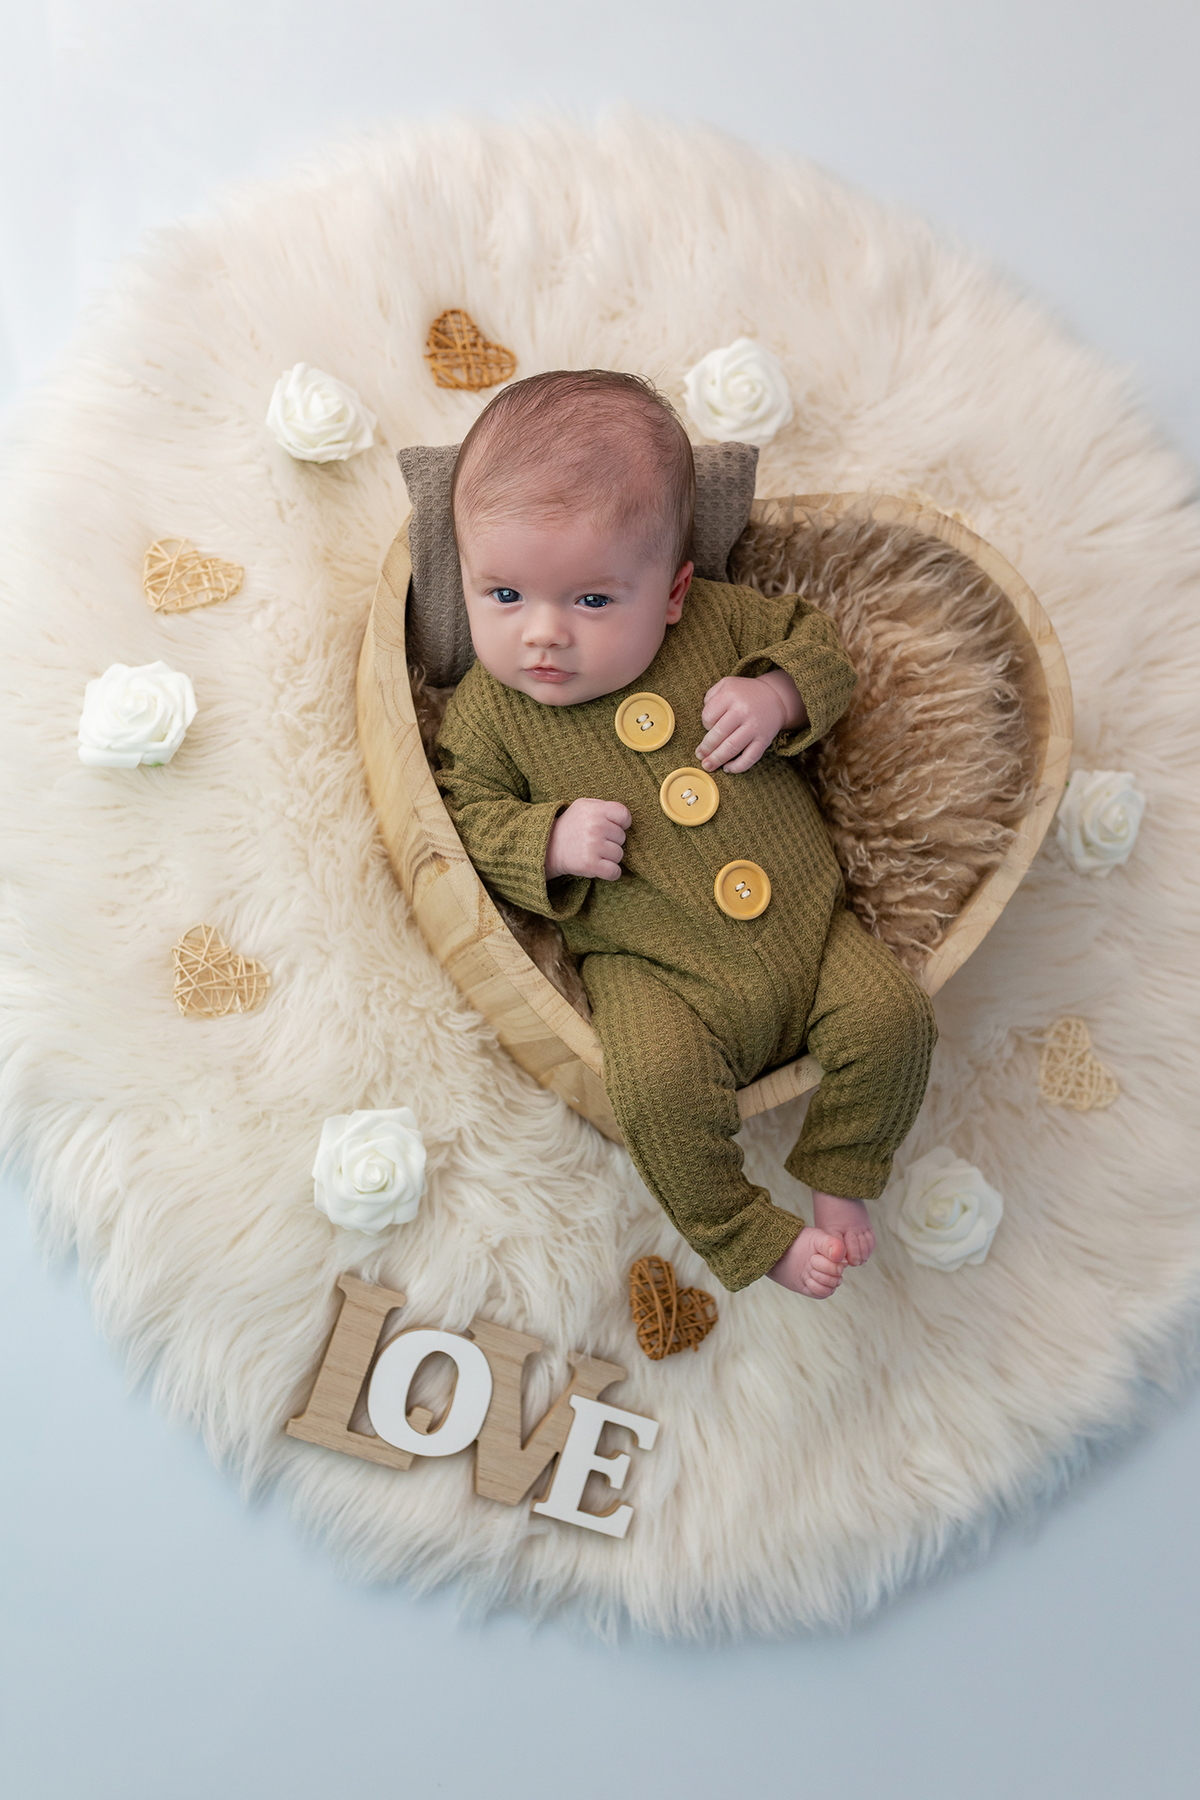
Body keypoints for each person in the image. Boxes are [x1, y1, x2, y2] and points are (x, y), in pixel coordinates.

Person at [435, 370, 937, 1297]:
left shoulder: (719, 625)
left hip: (807, 932)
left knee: (896, 1022)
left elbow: (818, 645)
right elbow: (465, 817)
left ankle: (842, 1167)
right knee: (657, 1097)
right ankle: (747, 1234)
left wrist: (775, 693)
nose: (542, 636)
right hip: (655, 973)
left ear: (671, 593)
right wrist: (544, 840)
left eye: (591, 602)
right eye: (502, 595)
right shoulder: (486, 717)